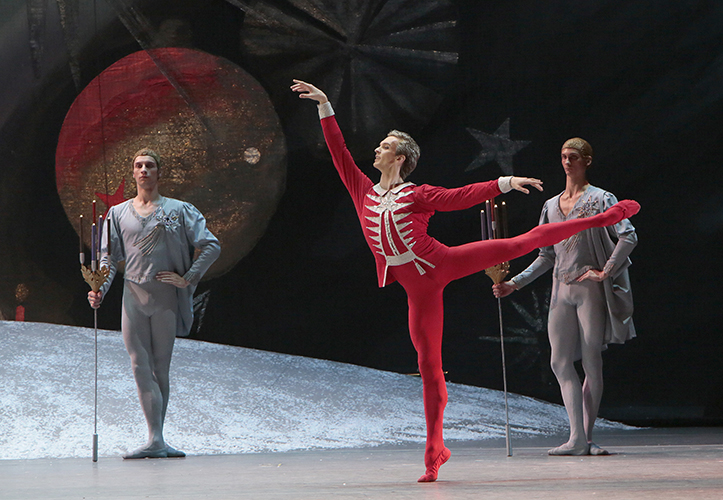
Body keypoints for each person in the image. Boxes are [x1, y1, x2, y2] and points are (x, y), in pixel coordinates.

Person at [291, 80, 640, 481]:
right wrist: (325, 106)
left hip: (440, 262)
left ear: (400, 157)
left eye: (384, 146)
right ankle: (436, 450)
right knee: (428, 364)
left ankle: (603, 218)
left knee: (518, 243)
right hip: (415, 286)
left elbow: (459, 196)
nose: (376, 149)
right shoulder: (364, 192)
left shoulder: (416, 194)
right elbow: (339, 154)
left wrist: (504, 183)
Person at [493, 138, 637, 456]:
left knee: (590, 361)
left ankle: (585, 437)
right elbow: (546, 255)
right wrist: (514, 283)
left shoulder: (601, 199)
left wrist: (606, 271)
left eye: (573, 157)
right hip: (561, 288)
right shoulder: (551, 206)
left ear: (586, 160)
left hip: (589, 290)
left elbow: (628, 235)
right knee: (559, 362)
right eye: (563, 156)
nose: (567, 162)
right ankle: (577, 439)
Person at [88, 148, 221, 459]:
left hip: (163, 296)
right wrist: (100, 290)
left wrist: (187, 277)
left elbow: (211, 245)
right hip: (133, 295)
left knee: (160, 366)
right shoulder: (118, 213)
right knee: (138, 365)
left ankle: (157, 439)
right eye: (138, 166)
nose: (144, 170)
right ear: (132, 173)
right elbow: (107, 256)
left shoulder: (179, 210)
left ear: (159, 173)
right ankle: (154, 438)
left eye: (149, 165)